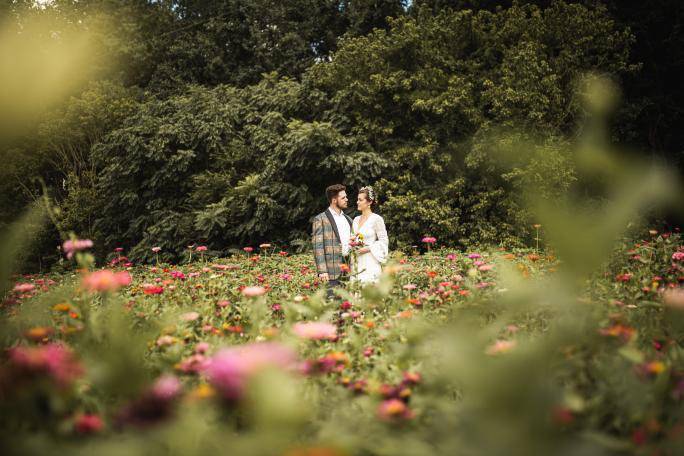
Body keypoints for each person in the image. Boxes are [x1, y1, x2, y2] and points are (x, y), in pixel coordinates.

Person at [312, 184, 353, 298]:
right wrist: (322, 271)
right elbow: (317, 247)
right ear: (334, 200)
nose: (346, 199)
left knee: (346, 307)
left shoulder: (348, 219)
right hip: (331, 272)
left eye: (346, 197)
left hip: (348, 270)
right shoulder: (320, 219)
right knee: (333, 306)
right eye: (343, 198)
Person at [350, 186, 389, 284]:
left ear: (369, 202)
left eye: (360, 200)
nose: (357, 202)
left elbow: (384, 241)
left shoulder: (376, 219)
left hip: (370, 261)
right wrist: (352, 242)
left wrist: (368, 248)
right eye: (357, 200)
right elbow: (356, 239)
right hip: (356, 261)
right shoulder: (356, 220)